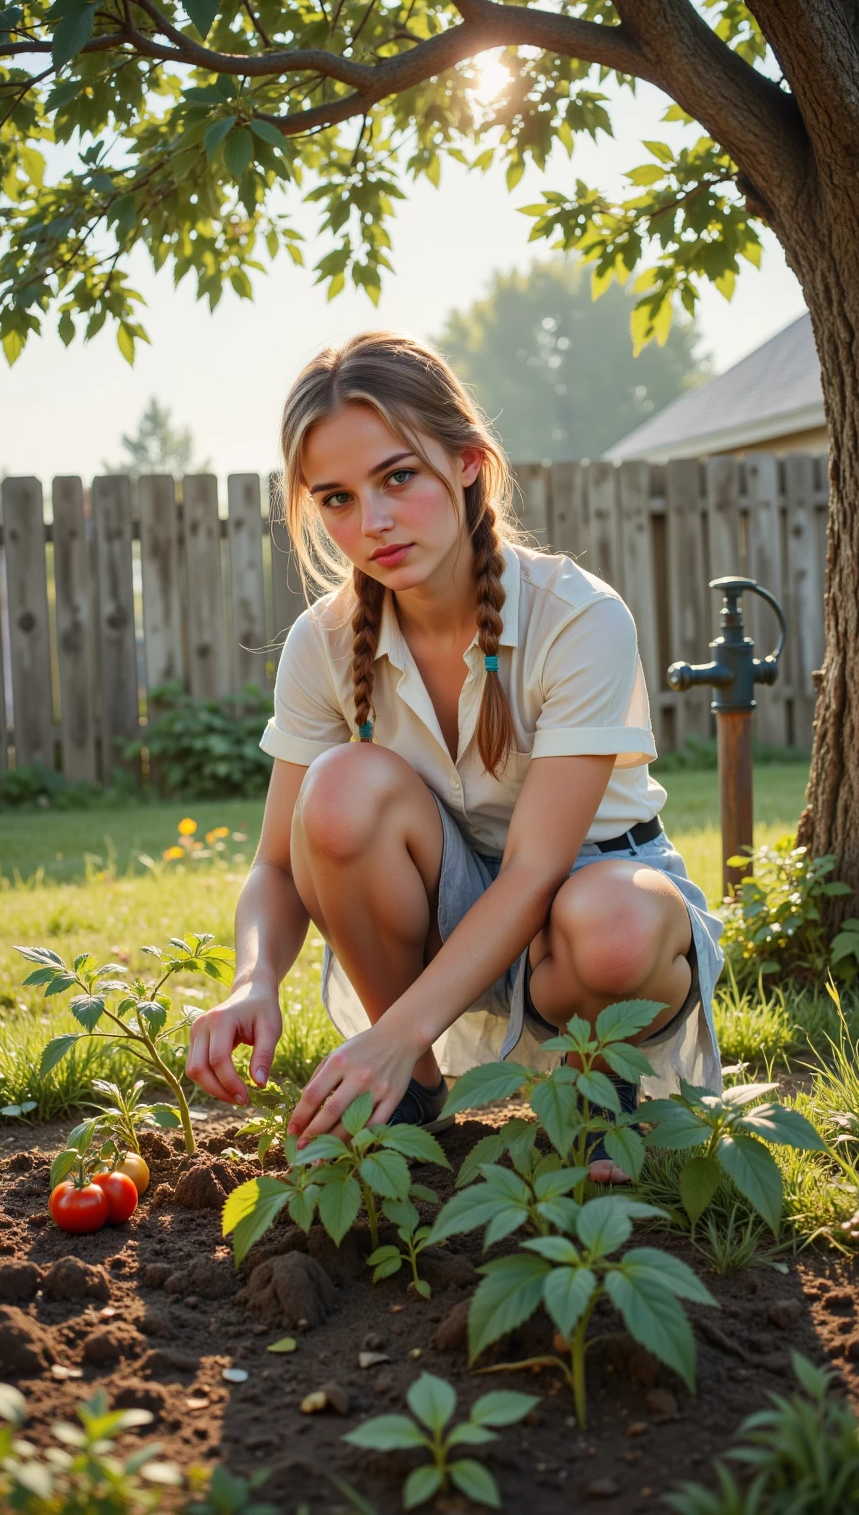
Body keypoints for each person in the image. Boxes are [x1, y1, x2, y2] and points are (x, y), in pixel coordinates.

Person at [185, 330, 724, 1182]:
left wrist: (389, 1032)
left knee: (611, 925)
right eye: (336, 499)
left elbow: (535, 870)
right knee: (337, 792)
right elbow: (278, 867)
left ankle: (595, 1095)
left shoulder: (579, 617)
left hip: (588, 907)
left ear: (468, 461)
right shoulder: (323, 642)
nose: (374, 522)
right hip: (447, 908)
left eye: (398, 477)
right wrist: (253, 981)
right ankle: (410, 1094)